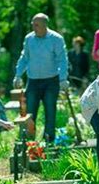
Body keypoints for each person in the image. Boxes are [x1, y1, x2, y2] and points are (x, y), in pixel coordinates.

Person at [13, 13, 69, 142]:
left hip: (51, 81)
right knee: (30, 113)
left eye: (36, 25)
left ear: (45, 25)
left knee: (50, 111)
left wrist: (63, 79)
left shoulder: (56, 39)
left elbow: (62, 60)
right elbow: (24, 58)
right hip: (33, 82)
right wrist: (18, 75)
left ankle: (49, 141)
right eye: (32, 24)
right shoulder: (29, 39)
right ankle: (29, 141)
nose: (33, 27)